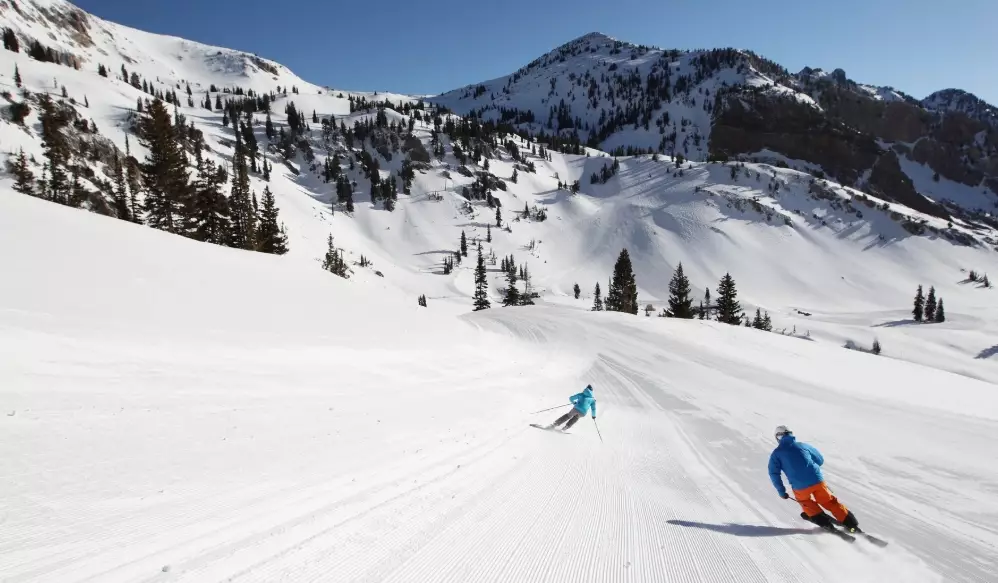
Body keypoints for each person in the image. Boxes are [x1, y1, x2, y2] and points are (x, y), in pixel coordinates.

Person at [768, 425, 860, 531]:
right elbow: (820, 460)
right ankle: (852, 525)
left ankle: (826, 524)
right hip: (818, 481)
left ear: (778, 437)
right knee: (829, 502)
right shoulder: (803, 445)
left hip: (800, 486)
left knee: (806, 502)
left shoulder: (776, 454)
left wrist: (782, 492)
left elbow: (773, 473)